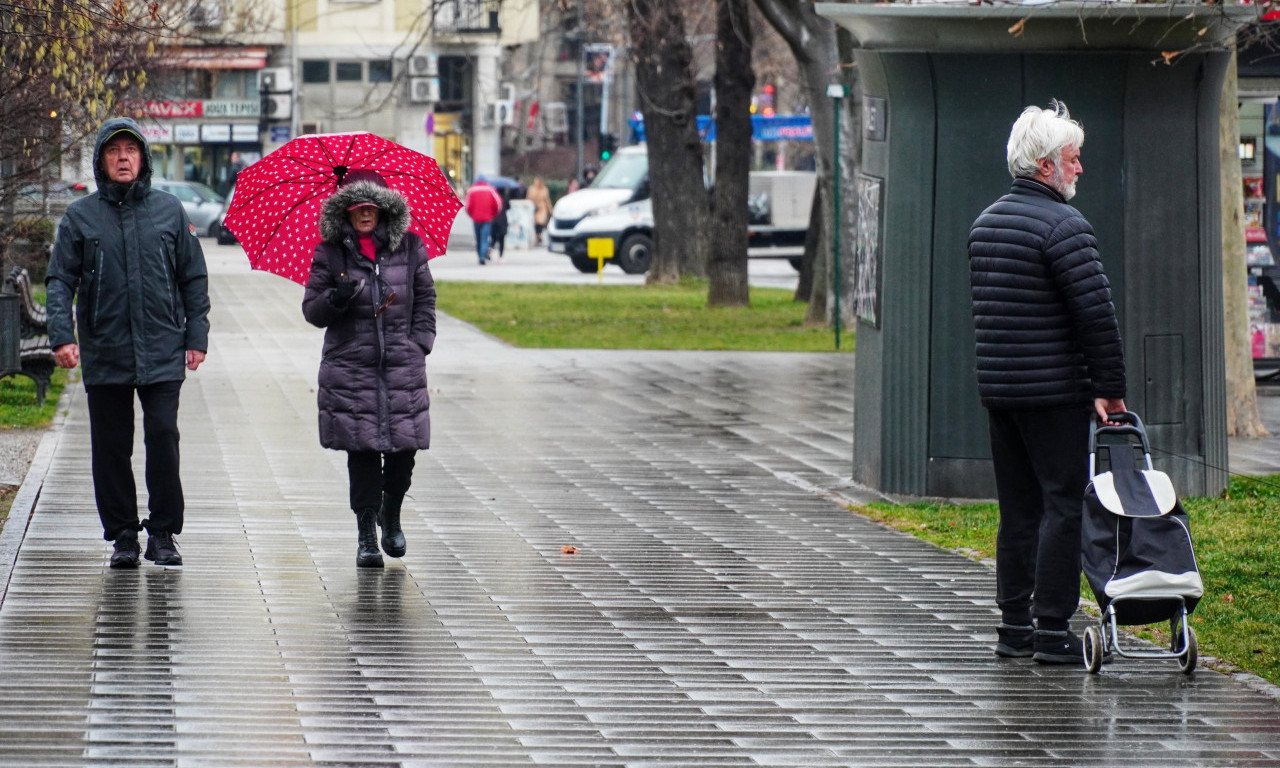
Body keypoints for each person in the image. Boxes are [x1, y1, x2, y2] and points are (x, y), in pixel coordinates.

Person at [967, 100, 1127, 665]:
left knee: (1018, 510)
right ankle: (1054, 630)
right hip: (1054, 394)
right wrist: (1108, 388)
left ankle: (1014, 628)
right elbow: (1096, 316)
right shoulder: (1065, 227)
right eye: (1073, 158)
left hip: (1002, 394)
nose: (1080, 168)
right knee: (1064, 505)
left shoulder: (986, 223)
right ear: (1044, 166)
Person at [46, 116, 211, 569]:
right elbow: (60, 280)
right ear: (102, 160)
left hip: (162, 347)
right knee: (111, 446)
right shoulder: (81, 217)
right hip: (106, 348)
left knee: (163, 437)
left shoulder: (169, 211)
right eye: (115, 150)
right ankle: (122, 535)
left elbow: (193, 277)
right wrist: (62, 335)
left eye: (131, 150)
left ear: (143, 159)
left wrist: (196, 335)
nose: (123, 158)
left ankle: (162, 533)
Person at [302, 170, 437, 568]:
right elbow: (312, 311)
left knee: (405, 450)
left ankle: (390, 512)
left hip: (402, 364)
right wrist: (336, 298)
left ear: (384, 207)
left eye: (371, 205)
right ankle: (365, 533)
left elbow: (426, 299)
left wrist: (420, 343)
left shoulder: (410, 247)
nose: (364, 212)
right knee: (361, 451)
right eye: (357, 205)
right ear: (346, 207)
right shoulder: (331, 252)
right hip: (351, 367)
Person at [463, 175, 503, 265]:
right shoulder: (490, 189)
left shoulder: (471, 190)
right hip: (488, 218)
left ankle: (479, 255)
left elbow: (467, 206)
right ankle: (482, 256)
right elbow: (498, 204)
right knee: (485, 238)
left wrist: (471, 215)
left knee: (478, 238)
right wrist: (494, 214)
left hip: (476, 218)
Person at [526, 177, 552, 246]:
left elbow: (547, 199)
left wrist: (550, 209)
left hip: (542, 207)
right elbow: (529, 198)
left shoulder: (544, 189)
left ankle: (539, 235)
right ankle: (537, 236)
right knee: (535, 222)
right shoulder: (531, 189)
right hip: (534, 207)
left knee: (540, 221)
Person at [490, 188, 510, 263]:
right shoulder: (505, 197)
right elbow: (508, 207)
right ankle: (500, 257)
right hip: (502, 220)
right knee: (502, 240)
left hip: (494, 219)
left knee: (493, 238)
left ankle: (490, 249)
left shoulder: (493, 197)